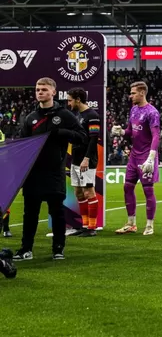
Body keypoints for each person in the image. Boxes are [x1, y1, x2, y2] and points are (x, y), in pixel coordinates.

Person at [14, 77, 87, 261]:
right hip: (33, 173)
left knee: (57, 212)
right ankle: (26, 249)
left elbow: (82, 136)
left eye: (44, 89)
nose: (40, 92)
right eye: (38, 89)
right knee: (30, 213)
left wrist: (61, 132)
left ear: (53, 92)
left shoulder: (64, 115)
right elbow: (22, 145)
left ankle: (58, 249)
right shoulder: (30, 117)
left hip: (54, 172)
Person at [110, 81, 161, 236]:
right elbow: (131, 132)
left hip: (146, 156)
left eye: (133, 93)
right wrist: (121, 132)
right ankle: (131, 223)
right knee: (127, 187)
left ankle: (150, 225)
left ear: (142, 93)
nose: (130, 95)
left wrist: (151, 158)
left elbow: (156, 136)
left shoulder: (152, 112)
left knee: (148, 190)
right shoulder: (133, 110)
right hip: (134, 156)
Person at [67, 87, 102, 237]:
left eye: (70, 100)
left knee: (89, 191)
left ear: (78, 100)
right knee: (78, 192)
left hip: (86, 159)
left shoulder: (92, 115)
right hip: (75, 158)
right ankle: (84, 225)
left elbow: (94, 139)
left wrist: (86, 159)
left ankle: (92, 228)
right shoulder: (76, 114)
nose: (68, 103)